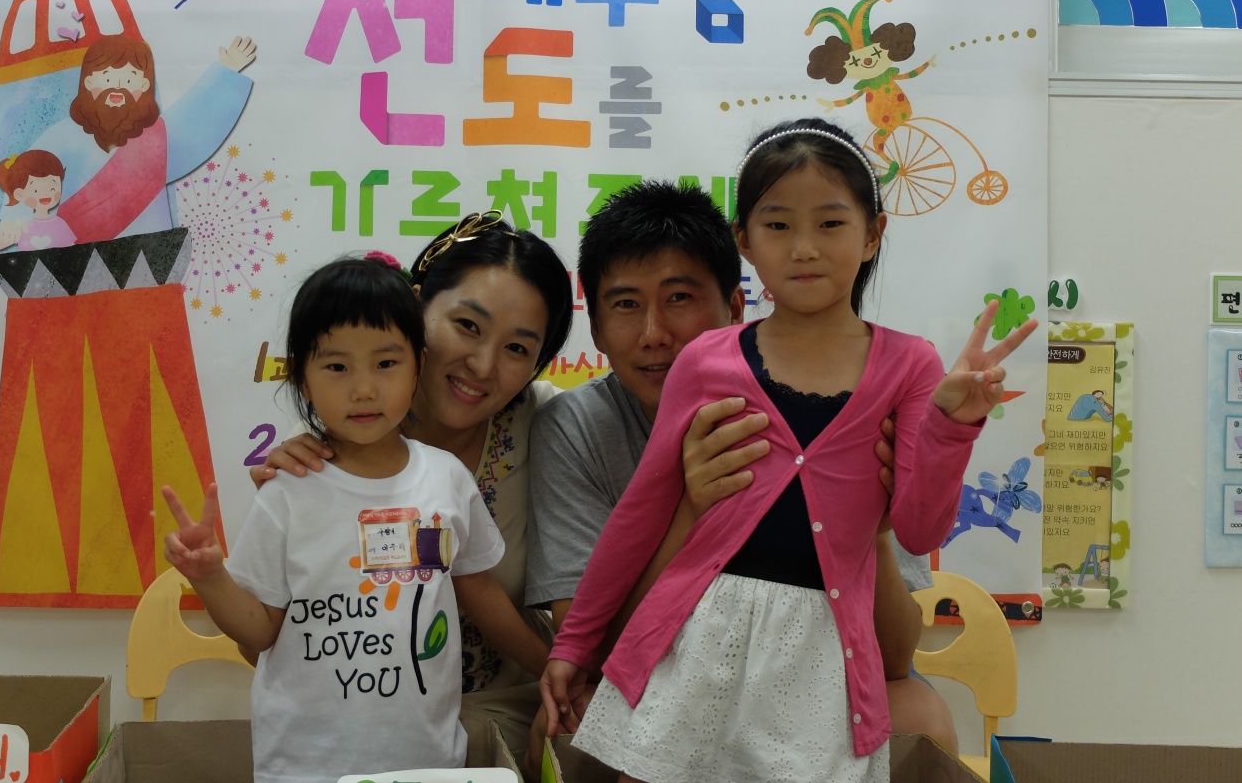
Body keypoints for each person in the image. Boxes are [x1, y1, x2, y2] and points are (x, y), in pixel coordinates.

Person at [541, 118, 1037, 783]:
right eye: (778, 225)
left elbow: (919, 528)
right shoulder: (705, 360)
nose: (804, 248)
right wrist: (574, 644)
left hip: (823, 658)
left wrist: (952, 427)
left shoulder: (910, 366)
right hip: (695, 643)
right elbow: (642, 510)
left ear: (873, 234)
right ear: (745, 240)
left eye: (830, 223)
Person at [160, 252, 546, 782]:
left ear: (418, 365)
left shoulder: (446, 479)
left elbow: (478, 587)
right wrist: (209, 576)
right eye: (337, 367)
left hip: (427, 761)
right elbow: (258, 631)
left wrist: (553, 670)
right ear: (303, 379)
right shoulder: (287, 490)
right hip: (304, 767)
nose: (363, 389)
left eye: (386, 364)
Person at [250, 211, 574, 765]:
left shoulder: (549, 424)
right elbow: (266, 638)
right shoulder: (328, 456)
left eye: (518, 349)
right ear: (415, 308)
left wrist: (571, 684)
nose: (483, 365)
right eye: (467, 325)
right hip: (371, 721)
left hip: (511, 709)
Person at [32, 34, 255, 243]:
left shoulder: (159, 134)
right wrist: (18, 222)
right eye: (107, 78)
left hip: (150, 247)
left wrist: (226, 73)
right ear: (89, 83)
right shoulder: (64, 134)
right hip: (75, 250)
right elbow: (28, 175)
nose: (118, 87)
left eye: (129, 80)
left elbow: (194, 121)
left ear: (144, 86)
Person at [0, 151, 77, 252]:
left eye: (52, 189)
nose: (46, 194)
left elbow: (74, 254)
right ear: (19, 194)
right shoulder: (21, 226)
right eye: (36, 190)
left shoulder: (60, 224)